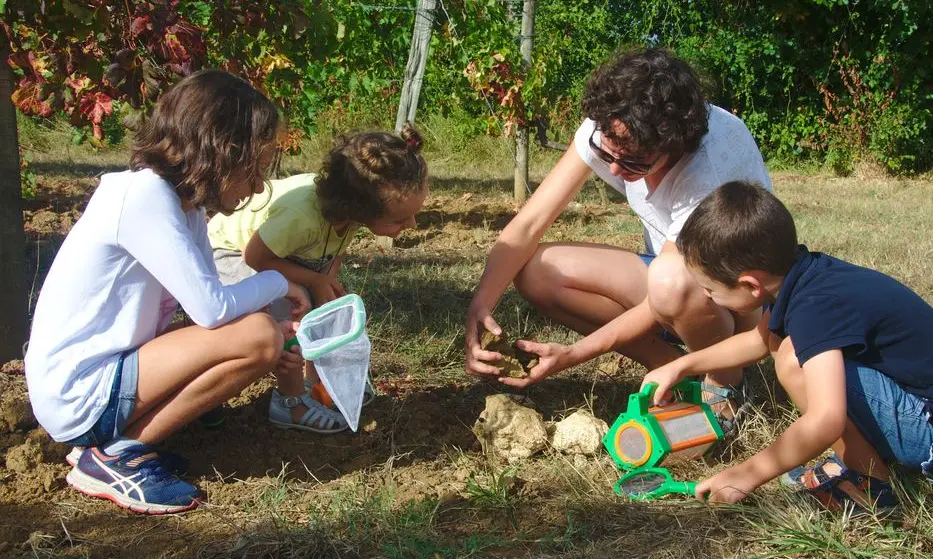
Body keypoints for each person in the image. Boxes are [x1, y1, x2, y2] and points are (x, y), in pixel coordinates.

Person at [24, 70, 311, 515]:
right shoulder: (144, 198)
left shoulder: (183, 206)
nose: (257, 186)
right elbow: (213, 310)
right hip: (79, 392)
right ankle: (114, 457)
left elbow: (207, 308)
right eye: (253, 167)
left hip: (104, 376)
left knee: (258, 332)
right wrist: (281, 283)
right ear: (220, 151)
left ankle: (119, 446)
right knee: (258, 336)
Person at [641, 181, 933, 512]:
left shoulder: (813, 308)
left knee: (792, 358)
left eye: (710, 289)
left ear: (750, 284)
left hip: (932, 432)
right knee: (785, 348)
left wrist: (744, 476)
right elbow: (757, 341)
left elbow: (826, 420)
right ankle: (866, 461)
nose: (706, 296)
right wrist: (682, 366)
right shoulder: (801, 276)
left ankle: (870, 484)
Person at [464, 47, 772, 417]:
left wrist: (574, 354)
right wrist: (481, 303)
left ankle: (725, 382)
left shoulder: (707, 170)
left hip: (738, 303)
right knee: (536, 271)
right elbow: (530, 223)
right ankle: (670, 366)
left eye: (631, 163)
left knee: (671, 280)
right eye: (606, 155)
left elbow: (673, 287)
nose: (613, 171)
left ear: (672, 146)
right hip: (672, 279)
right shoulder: (614, 121)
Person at [206, 126, 428, 433]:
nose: (412, 225)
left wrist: (324, 285)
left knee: (323, 308)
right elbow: (255, 257)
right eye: (400, 219)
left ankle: (318, 383)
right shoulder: (302, 217)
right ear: (358, 208)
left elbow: (331, 256)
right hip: (229, 250)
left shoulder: (348, 214)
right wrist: (309, 282)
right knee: (285, 316)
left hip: (279, 256)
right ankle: (291, 402)